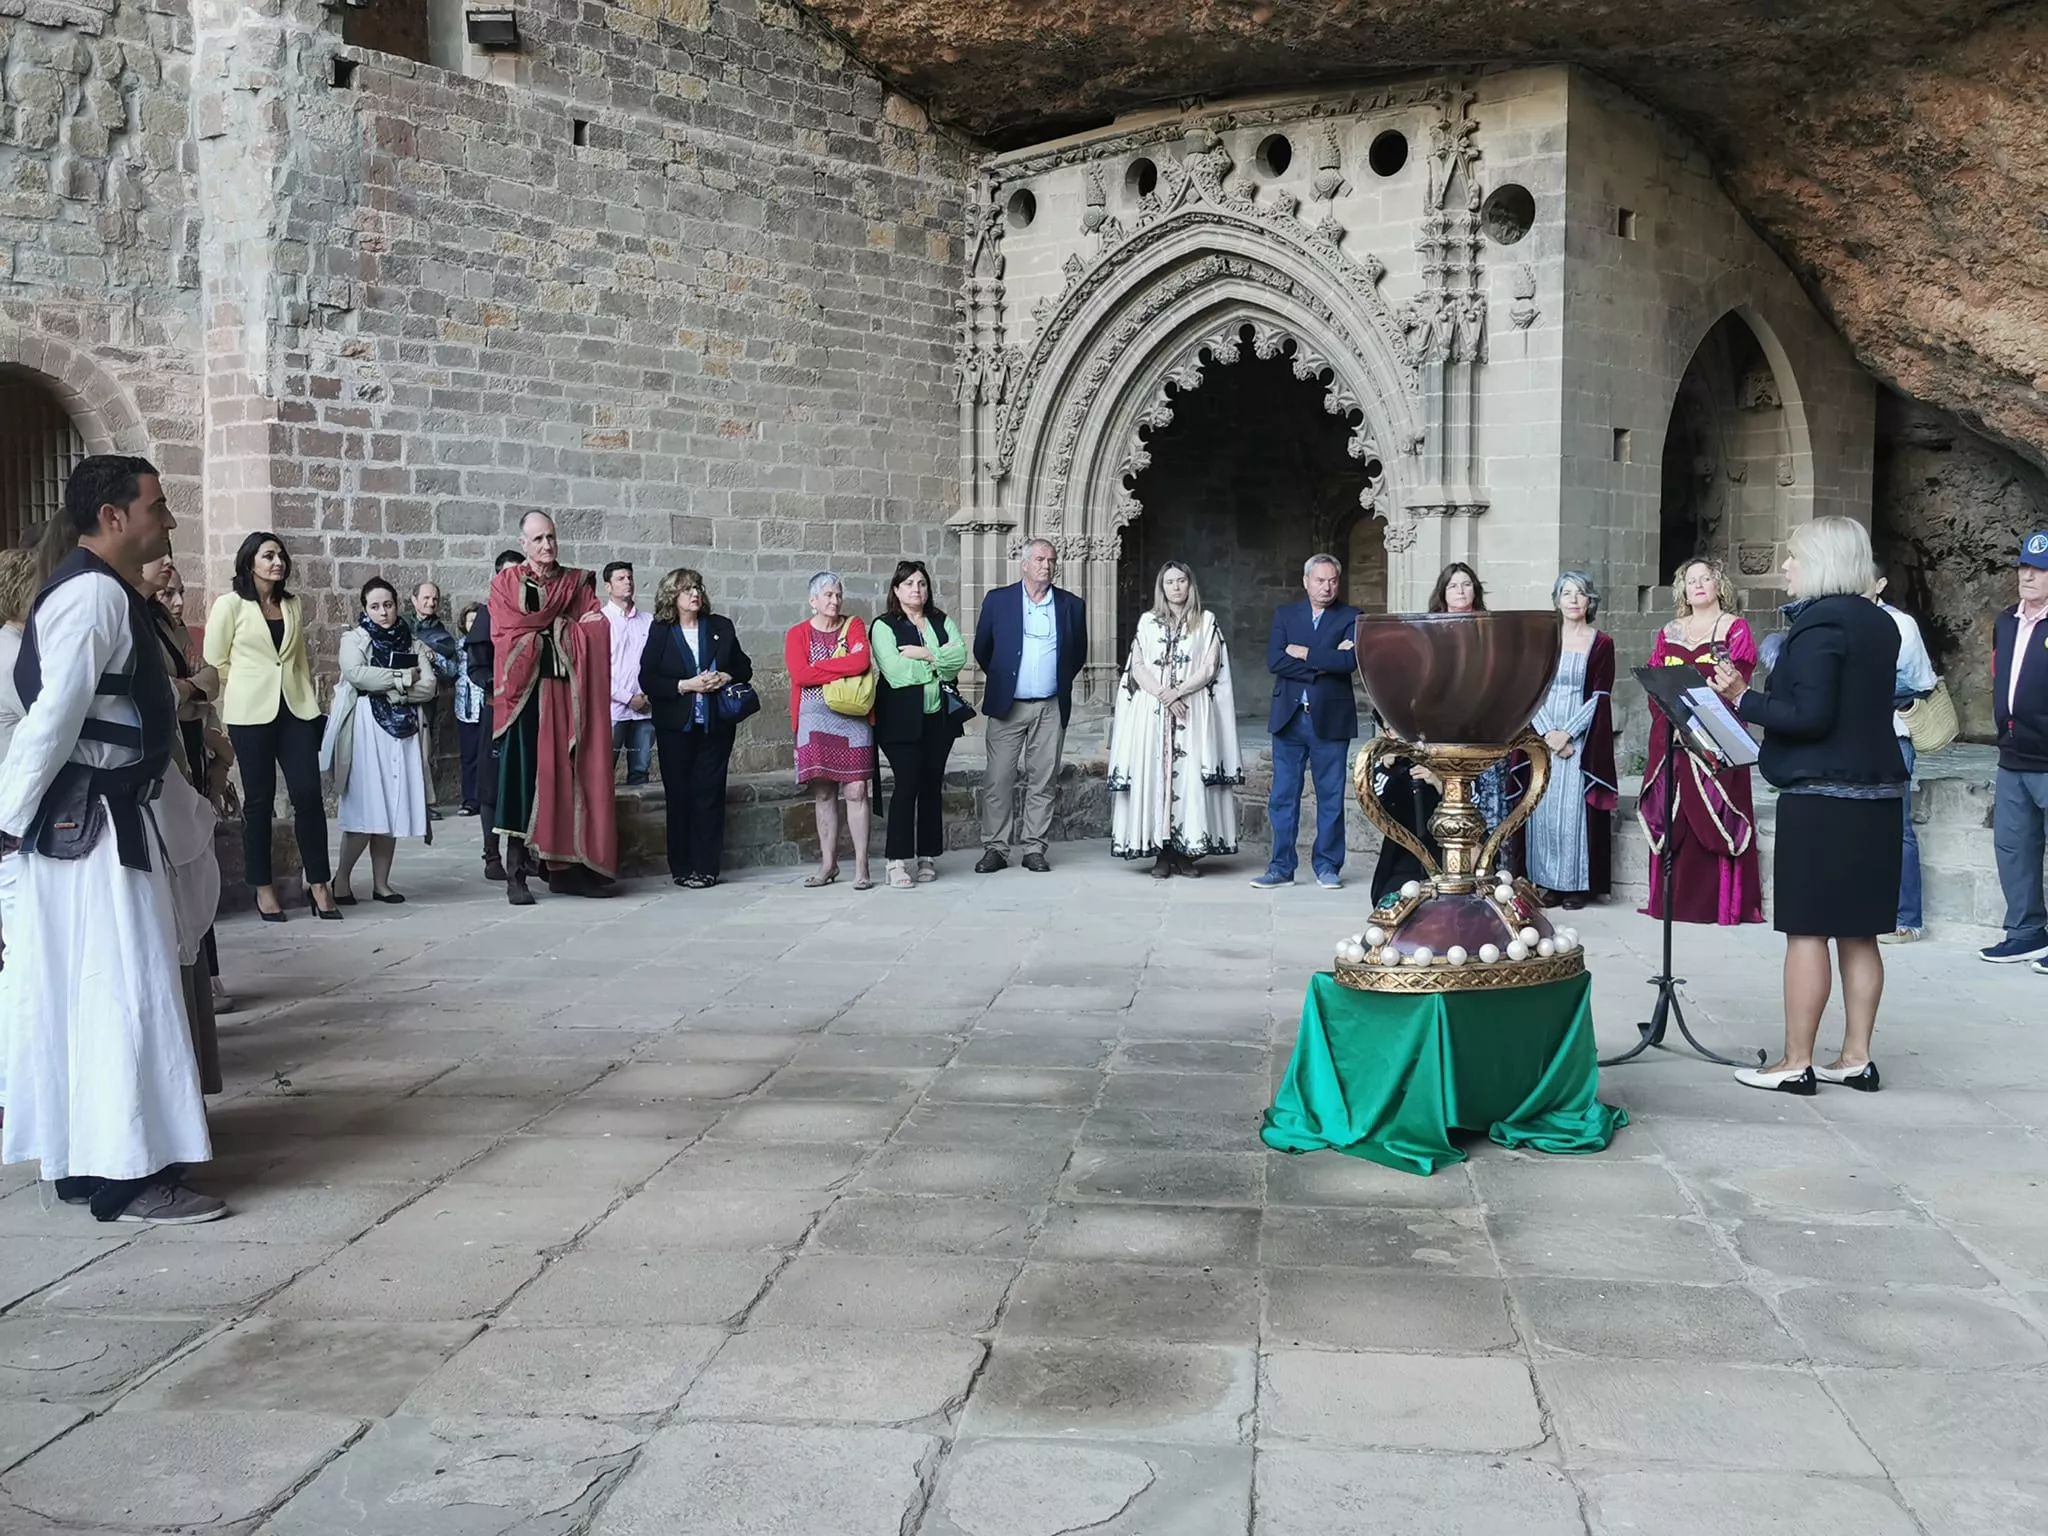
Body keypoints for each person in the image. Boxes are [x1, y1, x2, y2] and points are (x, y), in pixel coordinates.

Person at [0, 455, 223, 1222]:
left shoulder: (98, 594)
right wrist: (4, 819)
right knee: (121, 992)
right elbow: (53, 719)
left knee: (92, 992)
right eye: (158, 507)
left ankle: (90, 1159)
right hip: (95, 833)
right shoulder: (93, 597)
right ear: (113, 517)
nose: (168, 520)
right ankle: (129, 1173)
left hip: (94, 822)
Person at [1710, 517, 1906, 1094]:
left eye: (1793, 556)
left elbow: (1811, 716)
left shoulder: (1819, 623)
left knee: (1807, 932)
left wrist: (1742, 698)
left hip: (1823, 799)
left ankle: (1795, 1062)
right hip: (1877, 795)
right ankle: (1855, 1057)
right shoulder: (1881, 623)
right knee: (1860, 932)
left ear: (1820, 560)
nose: (1786, 566)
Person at [204, 531, 339, 922]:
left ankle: (320, 883)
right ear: (250, 562)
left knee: (308, 795)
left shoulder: (293, 605)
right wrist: (248, 685)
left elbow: (296, 660)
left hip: (295, 710)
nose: (277, 562)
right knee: (259, 802)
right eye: (268, 556)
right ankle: (263, 888)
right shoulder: (230, 605)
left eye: (280, 556)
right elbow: (216, 662)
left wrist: (309, 705)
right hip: (250, 714)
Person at [489, 512, 618, 904]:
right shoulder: (505, 584)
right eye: (538, 539)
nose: (547, 545)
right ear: (524, 544)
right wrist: (565, 627)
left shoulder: (575, 582)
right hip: (525, 699)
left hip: (567, 698)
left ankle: (565, 872)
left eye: (551, 537)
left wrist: (553, 630)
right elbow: (507, 635)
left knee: (569, 778)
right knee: (521, 782)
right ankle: (515, 874)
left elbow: (597, 628)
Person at [140, 554, 228, 1074]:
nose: (169, 561)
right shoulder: (129, 617)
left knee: (196, 878)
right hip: (161, 767)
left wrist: (190, 691)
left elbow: (208, 677)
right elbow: (163, 692)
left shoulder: (164, 621)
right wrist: (189, 689)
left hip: (187, 752)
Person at [1641, 555, 1764, 926]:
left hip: (1716, 736)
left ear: (1718, 586)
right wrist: (1674, 719)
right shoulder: (1671, 631)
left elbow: (1735, 680)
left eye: (1705, 579)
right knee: (1674, 811)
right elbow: (1656, 683)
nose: (1697, 585)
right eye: (1690, 580)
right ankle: (1670, 902)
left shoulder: (1734, 628)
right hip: (1675, 735)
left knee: (1714, 810)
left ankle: (1719, 904)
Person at [1108, 561, 1242, 876]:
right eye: (1169, 582)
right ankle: (1161, 854)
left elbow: (1210, 667)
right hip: (1153, 713)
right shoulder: (1147, 622)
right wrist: (1163, 694)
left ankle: (1185, 853)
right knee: (1156, 777)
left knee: (1191, 779)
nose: (1176, 587)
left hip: (1191, 712)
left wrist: (1179, 691)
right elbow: (1138, 665)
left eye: (1181, 581)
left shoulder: (1206, 622)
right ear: (1162, 587)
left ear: (1190, 585)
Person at [974, 538, 1086, 873]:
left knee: (1043, 779)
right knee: (998, 779)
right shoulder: (999, 601)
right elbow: (983, 649)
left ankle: (1034, 847)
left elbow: (1076, 655)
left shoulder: (1072, 605)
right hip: (1009, 706)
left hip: (1050, 706)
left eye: (1051, 560)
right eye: (1039, 559)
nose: (1046, 566)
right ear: (1024, 564)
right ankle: (996, 847)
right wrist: (1008, 680)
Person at [324, 577, 439, 904]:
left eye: (387, 605)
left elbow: (428, 686)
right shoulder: (355, 639)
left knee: (390, 806)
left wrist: (387, 684)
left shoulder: (411, 641)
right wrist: (403, 678)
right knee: (366, 807)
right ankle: (342, 880)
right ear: (365, 608)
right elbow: (356, 674)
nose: (382, 612)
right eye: (375, 606)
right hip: (366, 728)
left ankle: (381, 883)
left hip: (401, 731)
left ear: (396, 605)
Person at [1254, 553, 1361, 890]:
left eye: (1332, 580)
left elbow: (1350, 662)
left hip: (1330, 719)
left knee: (1330, 797)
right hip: (1289, 718)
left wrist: (1304, 653)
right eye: (1319, 580)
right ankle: (1281, 868)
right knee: (1283, 796)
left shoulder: (1353, 616)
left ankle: (1327, 866)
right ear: (1306, 582)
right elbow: (1275, 660)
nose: (1326, 586)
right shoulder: (1286, 615)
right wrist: (1324, 662)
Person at [639, 567, 751, 888]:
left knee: (709, 794)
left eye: (698, 587)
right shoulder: (661, 630)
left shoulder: (720, 627)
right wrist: (686, 685)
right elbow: (648, 678)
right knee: (680, 795)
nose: (695, 594)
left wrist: (725, 677)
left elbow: (743, 666)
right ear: (672, 596)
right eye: (687, 589)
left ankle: (706, 867)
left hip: (715, 725)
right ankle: (682, 866)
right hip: (676, 726)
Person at [1525, 571, 1618, 909]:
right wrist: (1549, 734)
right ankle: (1547, 883)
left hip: (1580, 738)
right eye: (1567, 593)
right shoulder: (1544, 640)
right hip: (1544, 733)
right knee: (1544, 811)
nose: (1574, 599)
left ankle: (1575, 885)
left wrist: (1568, 734)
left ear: (1590, 599)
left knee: (1573, 814)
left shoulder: (1601, 642)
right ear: (1557, 600)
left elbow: (1600, 695)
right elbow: (1532, 689)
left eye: (1580, 593)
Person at [874, 560, 968, 889]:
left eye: (922, 584)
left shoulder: (942, 621)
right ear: (897, 590)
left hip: (938, 718)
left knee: (931, 785)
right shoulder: (884, 626)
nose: (917, 589)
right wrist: (937, 661)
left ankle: (928, 855)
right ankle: (895, 860)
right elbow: (896, 674)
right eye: (910, 584)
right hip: (899, 719)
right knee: (908, 783)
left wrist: (924, 654)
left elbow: (959, 660)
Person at [785, 571, 877, 890]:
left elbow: (861, 662)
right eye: (827, 595)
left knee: (857, 791)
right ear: (813, 601)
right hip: (813, 719)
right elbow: (800, 675)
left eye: (838, 594)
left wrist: (819, 670)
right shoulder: (797, 634)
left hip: (851, 716)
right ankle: (828, 864)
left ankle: (862, 867)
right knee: (824, 792)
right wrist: (838, 668)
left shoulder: (854, 626)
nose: (835, 600)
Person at [1982, 530, 2048, 967]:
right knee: (2013, 846)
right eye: (2024, 566)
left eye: (2040, 570)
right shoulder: (2006, 621)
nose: (2028, 575)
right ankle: (2025, 931)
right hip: (2012, 755)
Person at [1873, 573, 1937, 944]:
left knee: (1898, 828)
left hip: (1893, 734)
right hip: (1851, 737)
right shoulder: (1839, 618)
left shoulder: (1901, 624)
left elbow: (1921, 681)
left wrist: (1868, 687)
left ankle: (1907, 918)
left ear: (1881, 583)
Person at [466, 548, 525, 879]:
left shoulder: (534, 611)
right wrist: (497, 682)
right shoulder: (489, 613)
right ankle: (492, 855)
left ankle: (525, 852)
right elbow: (477, 665)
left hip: (530, 710)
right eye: (508, 573)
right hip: (497, 708)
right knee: (491, 784)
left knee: (525, 780)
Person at [603, 562, 655, 787]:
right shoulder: (600, 621)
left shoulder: (648, 620)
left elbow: (656, 662)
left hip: (645, 708)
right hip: (613, 708)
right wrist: (626, 697)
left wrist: (645, 695)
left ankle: (640, 820)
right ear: (608, 586)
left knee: (641, 769)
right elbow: (597, 669)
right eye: (621, 578)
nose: (628, 582)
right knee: (603, 769)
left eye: (630, 578)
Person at [411, 581, 460, 816]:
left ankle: (424, 803)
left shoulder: (440, 634)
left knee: (424, 749)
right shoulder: (402, 627)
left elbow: (451, 670)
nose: (431, 603)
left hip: (425, 697)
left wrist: (433, 656)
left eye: (435, 599)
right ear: (414, 600)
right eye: (426, 598)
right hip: (399, 693)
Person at [454, 601, 486, 815]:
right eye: (470, 619)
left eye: (478, 620)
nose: (473, 623)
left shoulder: (488, 643)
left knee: (488, 754)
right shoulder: (458, 646)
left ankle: (487, 799)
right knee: (469, 755)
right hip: (466, 707)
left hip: (486, 703)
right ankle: (470, 799)